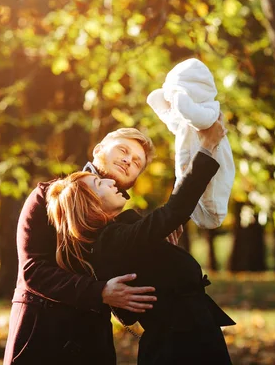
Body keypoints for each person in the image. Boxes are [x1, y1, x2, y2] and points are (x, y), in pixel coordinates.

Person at [46, 117, 235, 365]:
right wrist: (207, 147)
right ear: (88, 204)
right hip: (178, 348)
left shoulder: (119, 232)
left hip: (189, 338)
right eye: (98, 183)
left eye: (137, 162)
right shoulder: (110, 240)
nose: (110, 182)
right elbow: (173, 211)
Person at [4, 128, 170, 365]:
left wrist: (161, 239)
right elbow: (33, 270)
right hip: (42, 334)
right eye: (123, 150)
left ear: (135, 179)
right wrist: (99, 291)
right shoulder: (47, 196)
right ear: (98, 150)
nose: (128, 160)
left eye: (136, 162)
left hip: (93, 342)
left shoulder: (127, 225)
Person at [147, 58, 235, 229]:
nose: (171, 103)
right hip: (188, 171)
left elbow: (191, 114)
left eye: (175, 96)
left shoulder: (209, 111)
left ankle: (214, 210)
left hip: (211, 168)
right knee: (187, 197)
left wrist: (176, 94)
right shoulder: (183, 119)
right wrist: (167, 94)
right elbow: (160, 106)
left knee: (210, 196)